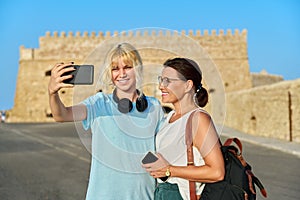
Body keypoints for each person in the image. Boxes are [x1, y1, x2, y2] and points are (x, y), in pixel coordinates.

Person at [48, 42, 164, 200]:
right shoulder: (98, 103)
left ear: (138, 69)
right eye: (115, 69)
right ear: (110, 74)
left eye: (128, 67)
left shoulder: (154, 107)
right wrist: (52, 93)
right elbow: (61, 115)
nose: (121, 74)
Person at [142, 57, 225, 200]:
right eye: (161, 80)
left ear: (188, 86)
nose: (161, 86)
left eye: (168, 81)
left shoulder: (198, 119)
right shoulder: (168, 119)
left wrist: (169, 170)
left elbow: (217, 172)